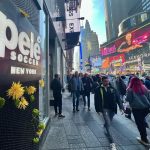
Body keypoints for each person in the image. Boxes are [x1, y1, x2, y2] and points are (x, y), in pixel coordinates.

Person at [94, 76, 124, 150]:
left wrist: (121, 107)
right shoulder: (98, 89)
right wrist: (97, 110)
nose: (107, 82)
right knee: (108, 124)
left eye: (107, 81)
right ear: (102, 81)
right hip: (104, 109)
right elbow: (96, 100)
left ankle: (105, 125)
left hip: (112, 109)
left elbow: (118, 99)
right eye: (105, 81)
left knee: (108, 122)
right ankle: (112, 143)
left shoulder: (113, 89)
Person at [126, 77, 150, 146]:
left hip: (136, 109)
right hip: (146, 108)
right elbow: (148, 97)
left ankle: (144, 139)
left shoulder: (130, 89)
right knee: (142, 122)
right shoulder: (144, 87)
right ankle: (145, 137)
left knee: (140, 123)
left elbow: (128, 99)